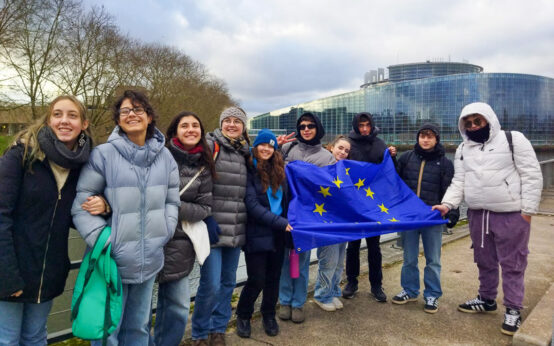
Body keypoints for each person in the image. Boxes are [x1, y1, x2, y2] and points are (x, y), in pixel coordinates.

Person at [72, 90, 180, 345]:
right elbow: (81, 204)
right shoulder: (103, 155)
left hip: (150, 258)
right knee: (107, 330)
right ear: (118, 120)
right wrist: (106, 241)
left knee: (139, 328)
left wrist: (165, 231)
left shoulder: (165, 157)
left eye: (138, 109)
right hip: (112, 261)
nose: (131, 114)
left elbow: (172, 201)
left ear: (150, 116)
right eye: (125, 111)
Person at [433, 102, 542, 335]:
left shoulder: (514, 140)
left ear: (488, 120)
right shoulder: (463, 148)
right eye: (468, 123)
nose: (473, 126)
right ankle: (487, 298)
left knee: (513, 264)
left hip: (511, 214)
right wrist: (447, 203)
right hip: (478, 214)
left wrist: (527, 212)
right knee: (484, 260)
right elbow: (459, 182)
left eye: (478, 121)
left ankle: (513, 308)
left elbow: (531, 175)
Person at [0, 95, 97, 345]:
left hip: (48, 274)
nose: (64, 121)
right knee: (8, 340)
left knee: (35, 337)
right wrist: (7, 275)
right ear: (49, 120)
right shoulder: (21, 155)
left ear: (84, 124)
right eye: (58, 114)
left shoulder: (83, 166)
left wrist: (103, 205)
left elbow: (75, 215)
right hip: (11, 270)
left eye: (72, 115)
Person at [150, 111, 215, 346]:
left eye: (195, 125)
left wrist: (172, 206)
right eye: (184, 125)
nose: (190, 129)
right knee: (140, 311)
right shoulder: (158, 155)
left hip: (180, 243)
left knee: (177, 307)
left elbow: (204, 208)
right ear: (175, 131)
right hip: (149, 238)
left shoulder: (204, 167)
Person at [191, 107, 250, 346]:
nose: (232, 125)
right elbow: (197, 183)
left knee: (227, 283)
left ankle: (218, 329)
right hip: (212, 229)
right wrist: (206, 216)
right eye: (228, 121)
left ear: (244, 127)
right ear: (221, 124)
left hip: (236, 229)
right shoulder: (209, 147)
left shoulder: (246, 153)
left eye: (238, 122)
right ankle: (199, 333)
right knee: (211, 284)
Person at [392, 123, 459, 313]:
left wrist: (452, 212)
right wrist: (391, 159)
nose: (425, 139)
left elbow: (449, 190)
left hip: (432, 218)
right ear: (418, 138)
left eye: (430, 136)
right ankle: (410, 290)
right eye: (422, 136)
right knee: (409, 257)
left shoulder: (445, 163)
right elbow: (394, 181)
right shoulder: (406, 158)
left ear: (436, 139)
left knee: (433, 259)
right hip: (410, 218)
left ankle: (432, 294)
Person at [278, 112, 335, 324]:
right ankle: (284, 300)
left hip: (307, 217)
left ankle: (298, 302)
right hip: (284, 213)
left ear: (317, 128)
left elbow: (328, 189)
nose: (306, 129)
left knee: (300, 261)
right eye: (302, 126)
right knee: (285, 260)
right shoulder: (287, 149)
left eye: (310, 125)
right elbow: (267, 167)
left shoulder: (326, 157)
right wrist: (275, 146)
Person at [235, 129, 292, 338]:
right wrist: (280, 222)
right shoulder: (249, 169)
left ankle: (268, 314)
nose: (266, 149)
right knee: (256, 278)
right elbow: (251, 204)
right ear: (255, 147)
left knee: (274, 278)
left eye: (270, 146)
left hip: (279, 233)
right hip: (258, 232)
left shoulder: (279, 169)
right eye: (262, 145)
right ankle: (243, 314)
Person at [343, 112, 396, 302]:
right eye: (361, 125)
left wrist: (392, 156)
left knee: (374, 247)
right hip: (354, 203)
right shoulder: (349, 143)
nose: (364, 129)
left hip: (374, 204)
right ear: (356, 126)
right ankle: (351, 282)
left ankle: (376, 285)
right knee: (353, 245)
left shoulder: (380, 144)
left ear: (372, 125)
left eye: (367, 125)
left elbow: (389, 171)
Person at [312, 135, 352, 312]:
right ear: (331, 148)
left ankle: (333, 291)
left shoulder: (346, 172)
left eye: (346, 150)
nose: (343, 152)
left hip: (342, 223)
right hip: (326, 223)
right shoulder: (322, 168)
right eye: (340, 148)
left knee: (339, 261)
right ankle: (322, 294)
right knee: (328, 260)